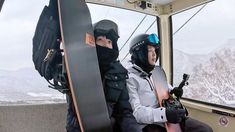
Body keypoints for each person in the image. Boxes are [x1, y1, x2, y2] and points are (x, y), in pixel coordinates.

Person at [66, 19, 142, 132]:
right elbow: (50, 71)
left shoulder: (119, 73)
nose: (106, 45)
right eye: (100, 40)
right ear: (92, 42)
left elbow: (124, 112)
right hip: (79, 128)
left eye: (109, 42)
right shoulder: (76, 67)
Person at [126, 33, 213, 132]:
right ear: (139, 52)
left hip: (169, 117)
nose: (154, 54)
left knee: (205, 130)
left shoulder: (155, 72)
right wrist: (165, 114)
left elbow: (165, 90)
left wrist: (174, 91)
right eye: (150, 50)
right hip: (151, 123)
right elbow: (136, 113)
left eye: (155, 50)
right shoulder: (130, 79)